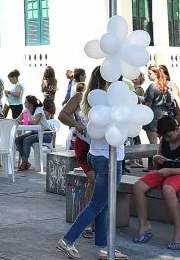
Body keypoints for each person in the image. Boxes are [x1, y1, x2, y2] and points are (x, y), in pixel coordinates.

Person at [56, 67, 127, 260]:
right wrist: (80, 127)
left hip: (98, 153)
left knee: (102, 204)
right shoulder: (105, 99)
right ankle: (68, 240)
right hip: (107, 156)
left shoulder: (93, 98)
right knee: (98, 204)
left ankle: (104, 247)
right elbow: (63, 115)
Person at [132, 116, 180, 250]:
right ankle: (143, 225)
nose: (167, 139)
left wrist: (170, 171)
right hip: (166, 172)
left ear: (177, 129)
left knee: (168, 189)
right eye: (163, 137)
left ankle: (179, 230)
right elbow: (158, 162)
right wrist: (157, 159)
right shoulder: (164, 140)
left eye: (169, 136)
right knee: (138, 186)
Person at [59, 72, 96, 240]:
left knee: (101, 183)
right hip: (84, 143)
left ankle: (98, 221)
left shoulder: (108, 97)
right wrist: (76, 124)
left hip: (102, 144)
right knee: (93, 180)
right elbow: (62, 115)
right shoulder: (80, 96)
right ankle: (89, 222)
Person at [16, 96, 56, 171]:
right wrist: (17, 121)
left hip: (46, 134)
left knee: (27, 140)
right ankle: (26, 162)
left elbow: (35, 122)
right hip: (35, 133)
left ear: (31, 104)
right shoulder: (26, 111)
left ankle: (24, 162)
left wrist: (21, 122)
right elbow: (21, 121)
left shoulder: (38, 110)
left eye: (26, 102)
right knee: (18, 140)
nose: (24, 103)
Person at [144, 66, 180, 144]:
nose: (148, 75)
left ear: (156, 74)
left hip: (153, 115)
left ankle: (155, 156)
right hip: (164, 114)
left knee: (153, 144)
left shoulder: (153, 86)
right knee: (164, 141)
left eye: (150, 73)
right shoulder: (165, 86)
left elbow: (148, 103)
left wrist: (144, 115)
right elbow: (169, 102)